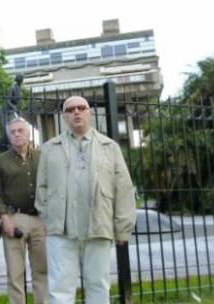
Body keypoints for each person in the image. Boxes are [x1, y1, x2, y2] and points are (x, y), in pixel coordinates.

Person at [35, 96, 136, 304]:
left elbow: (123, 189)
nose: (76, 112)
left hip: (99, 225)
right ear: (64, 117)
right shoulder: (49, 148)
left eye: (81, 108)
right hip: (60, 230)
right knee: (60, 288)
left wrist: (123, 227)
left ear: (90, 113)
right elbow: (42, 188)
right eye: (71, 110)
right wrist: (49, 217)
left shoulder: (110, 147)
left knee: (98, 284)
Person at [0, 118, 48, 304]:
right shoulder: (0, 161)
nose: (17, 134)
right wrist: (4, 218)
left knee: (42, 270)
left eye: (20, 130)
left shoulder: (42, 157)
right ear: (8, 135)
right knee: (16, 272)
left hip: (40, 219)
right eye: (13, 131)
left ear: (28, 133)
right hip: (15, 219)